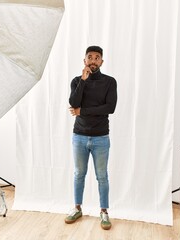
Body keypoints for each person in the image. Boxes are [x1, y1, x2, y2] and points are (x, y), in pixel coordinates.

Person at [65, 46, 117, 230]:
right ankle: (77, 207)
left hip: (101, 137)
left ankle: (104, 212)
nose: (93, 60)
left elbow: (109, 107)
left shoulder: (110, 82)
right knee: (79, 174)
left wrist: (82, 111)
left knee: (102, 176)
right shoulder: (77, 81)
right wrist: (84, 81)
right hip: (79, 136)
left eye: (97, 58)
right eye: (90, 57)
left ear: (102, 62)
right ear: (84, 61)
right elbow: (73, 103)